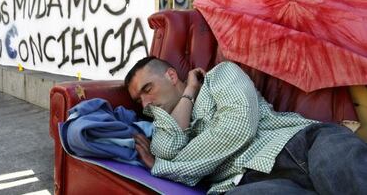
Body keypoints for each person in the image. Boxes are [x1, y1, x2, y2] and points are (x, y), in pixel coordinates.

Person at [125, 56, 367, 194]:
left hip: (298, 144)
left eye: (148, 89)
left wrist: (168, 166)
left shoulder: (220, 75)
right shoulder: (162, 128)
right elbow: (165, 152)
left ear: (170, 75)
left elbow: (238, 126)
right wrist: (187, 94)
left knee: (341, 164)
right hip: (244, 183)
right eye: (139, 100)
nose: (146, 103)